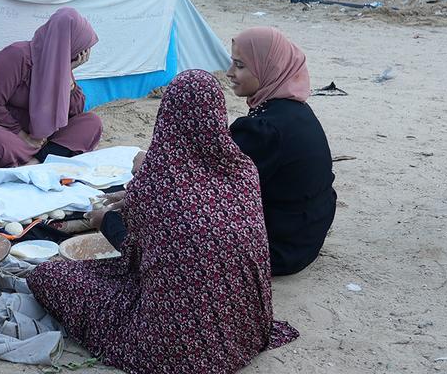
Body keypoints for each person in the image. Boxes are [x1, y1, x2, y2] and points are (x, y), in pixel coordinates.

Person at [29, 70, 298, 374]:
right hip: (245, 330)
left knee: (48, 274)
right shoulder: (243, 171)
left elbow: (134, 255)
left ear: (166, 116)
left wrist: (106, 220)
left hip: (175, 346)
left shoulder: (159, 181)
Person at [224, 27, 336, 276]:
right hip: (306, 237)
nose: (229, 73)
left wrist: (155, 165)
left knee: (124, 218)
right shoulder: (296, 111)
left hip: (279, 251)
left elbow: (210, 184)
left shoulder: (265, 129)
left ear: (268, 68)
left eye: (240, 65)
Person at [0, 7, 103, 168]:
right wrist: (24, 136)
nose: (81, 55)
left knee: (91, 122)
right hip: (2, 130)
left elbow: (75, 112)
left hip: (40, 139)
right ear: (67, 44)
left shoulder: (59, 64)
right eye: (79, 49)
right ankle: (48, 158)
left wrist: (67, 75)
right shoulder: (15, 56)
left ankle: (35, 162)